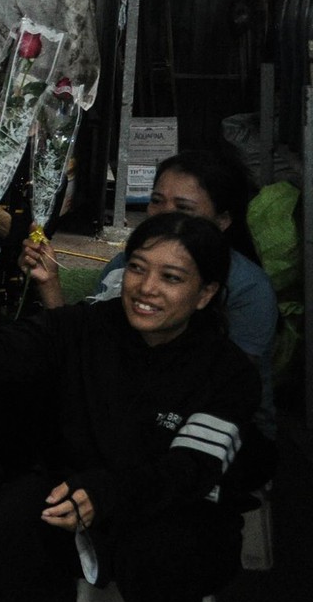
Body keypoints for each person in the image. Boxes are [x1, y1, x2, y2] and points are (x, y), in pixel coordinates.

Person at [0, 213, 258, 602]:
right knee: (24, 500)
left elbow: (189, 471)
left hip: (167, 512)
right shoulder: (83, 327)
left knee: (169, 540)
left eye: (172, 277)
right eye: (138, 268)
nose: (145, 288)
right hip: (76, 500)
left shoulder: (228, 372)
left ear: (206, 293)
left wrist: (106, 493)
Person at [29, 150, 279, 437]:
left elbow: (225, 392)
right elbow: (83, 348)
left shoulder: (248, 289)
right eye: (157, 201)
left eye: (183, 208)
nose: (147, 287)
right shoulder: (124, 264)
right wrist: (49, 284)